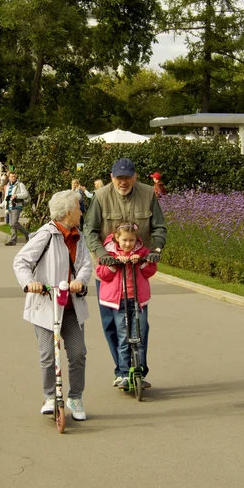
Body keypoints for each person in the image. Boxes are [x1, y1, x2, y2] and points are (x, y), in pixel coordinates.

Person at [84, 158, 166, 389]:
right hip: (109, 272)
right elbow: (89, 230)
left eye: (127, 178)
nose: (123, 182)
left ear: (135, 177)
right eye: (119, 178)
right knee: (112, 323)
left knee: (141, 324)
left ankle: (139, 370)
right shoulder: (101, 196)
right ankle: (121, 370)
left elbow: (160, 227)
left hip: (137, 269)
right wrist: (102, 254)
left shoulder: (148, 194)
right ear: (112, 177)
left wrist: (156, 249)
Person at [13, 190, 92, 421]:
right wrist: (30, 284)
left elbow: (86, 263)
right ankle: (50, 396)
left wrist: (80, 281)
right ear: (69, 212)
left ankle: (75, 397)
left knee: (77, 353)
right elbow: (21, 261)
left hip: (71, 306)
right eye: (79, 207)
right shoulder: (45, 235)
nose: (81, 210)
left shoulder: (80, 235)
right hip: (47, 306)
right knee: (49, 353)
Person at [95, 223, 157, 389]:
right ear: (116, 238)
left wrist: (141, 261)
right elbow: (102, 274)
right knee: (123, 337)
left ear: (136, 239)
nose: (128, 244)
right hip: (119, 301)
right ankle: (123, 373)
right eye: (124, 240)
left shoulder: (141, 252)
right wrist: (114, 263)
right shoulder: (109, 252)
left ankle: (140, 372)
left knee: (140, 336)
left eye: (131, 240)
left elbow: (150, 271)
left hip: (138, 301)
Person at [0, 171, 30, 246]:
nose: (13, 178)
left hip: (17, 205)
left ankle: (28, 234)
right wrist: (1, 205)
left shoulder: (20, 185)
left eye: (14, 176)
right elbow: (6, 198)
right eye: (12, 176)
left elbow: (25, 194)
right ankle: (13, 240)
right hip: (9, 206)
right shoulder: (8, 186)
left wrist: (16, 195)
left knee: (14, 223)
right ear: (9, 178)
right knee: (11, 224)